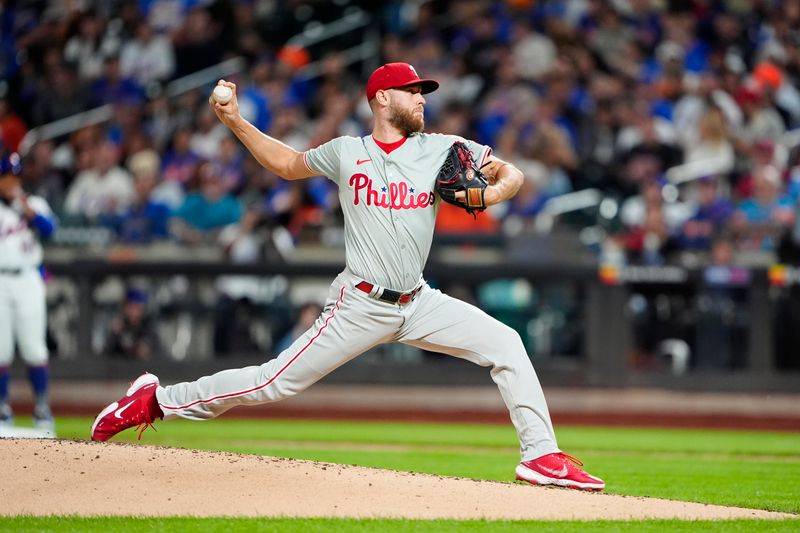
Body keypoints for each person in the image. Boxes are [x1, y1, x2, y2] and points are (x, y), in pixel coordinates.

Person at [91, 63, 605, 491]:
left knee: (506, 343)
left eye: (423, 92)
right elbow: (289, 164)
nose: (422, 99)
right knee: (271, 383)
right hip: (358, 304)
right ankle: (156, 399)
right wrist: (236, 123)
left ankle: (540, 455)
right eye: (413, 91)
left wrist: (494, 193)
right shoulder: (346, 152)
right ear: (382, 99)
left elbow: (511, 173)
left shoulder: (442, 148)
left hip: (418, 301)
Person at [0, 152, 57, 430]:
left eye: (14, 176)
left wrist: (25, 208)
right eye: (6, 177)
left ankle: (42, 407)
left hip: (27, 279)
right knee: (1, 351)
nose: (11, 182)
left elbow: (50, 230)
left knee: (35, 348)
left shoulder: (33, 203)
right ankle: (2, 410)